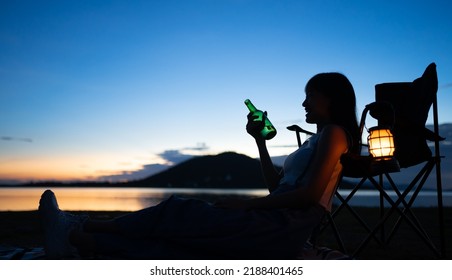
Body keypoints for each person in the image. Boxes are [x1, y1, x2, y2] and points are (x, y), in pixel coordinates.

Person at [38, 72, 360, 259]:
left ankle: (80, 227)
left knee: (179, 211)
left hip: (282, 225)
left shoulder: (333, 133)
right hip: (275, 218)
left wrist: (247, 205)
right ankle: (80, 242)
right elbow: (280, 187)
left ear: (332, 99)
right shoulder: (316, 140)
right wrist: (260, 142)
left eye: (310, 96)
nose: (303, 103)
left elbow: (310, 194)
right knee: (180, 242)